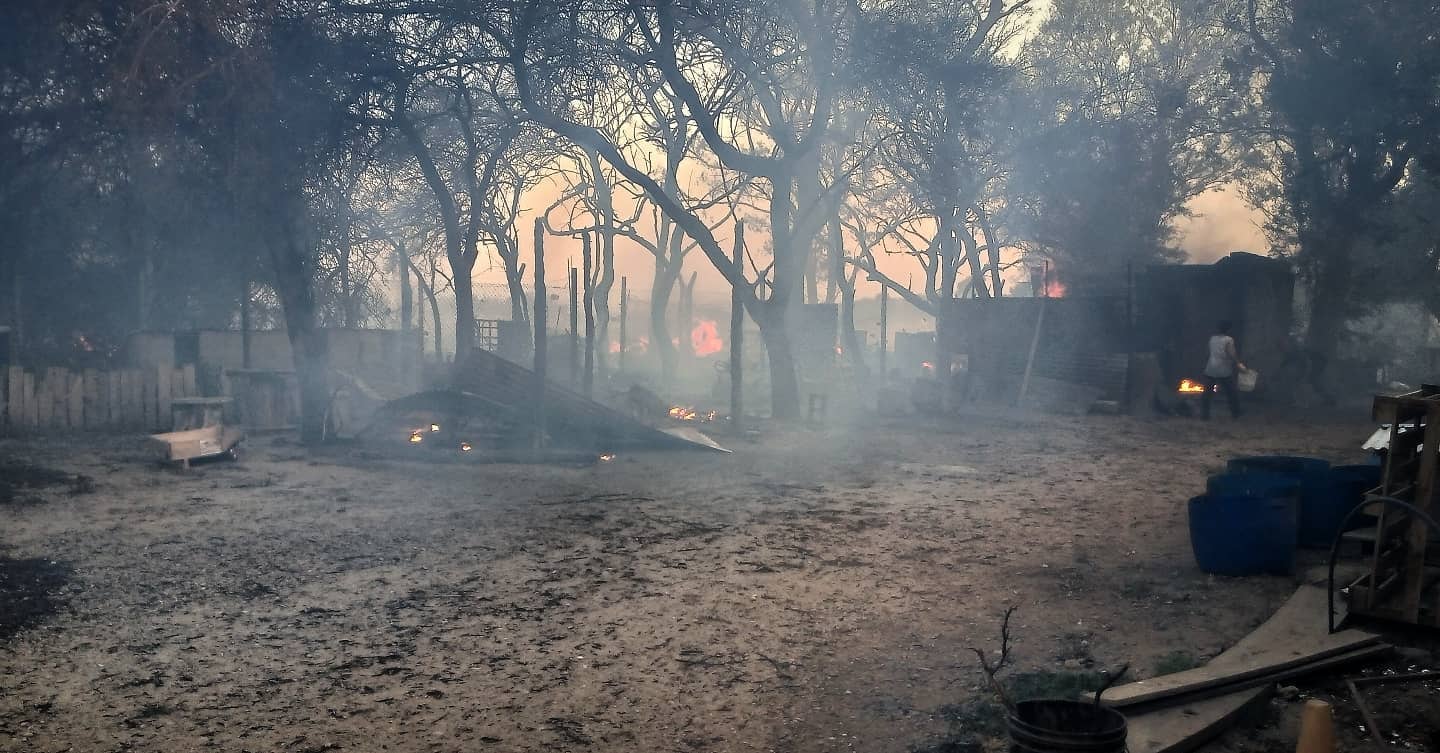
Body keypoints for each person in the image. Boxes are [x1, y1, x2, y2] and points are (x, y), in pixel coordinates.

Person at [1202, 321, 1246, 419]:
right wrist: (1238, 363)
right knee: (1231, 392)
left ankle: (1204, 415)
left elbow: (1208, 352)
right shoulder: (1228, 340)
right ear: (1228, 330)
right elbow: (1232, 353)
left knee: (1207, 393)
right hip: (1223, 369)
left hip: (1211, 367)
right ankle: (1236, 414)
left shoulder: (1212, 339)